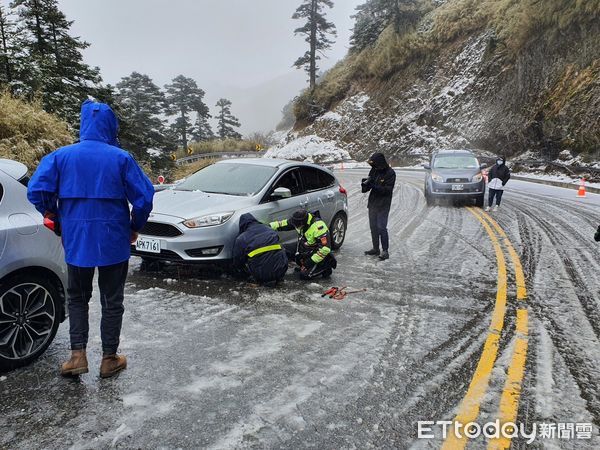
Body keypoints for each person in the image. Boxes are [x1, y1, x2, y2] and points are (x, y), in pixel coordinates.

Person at [27, 99, 154, 378]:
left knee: (77, 297)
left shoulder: (60, 156)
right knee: (112, 300)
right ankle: (109, 358)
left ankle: (77, 357)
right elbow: (144, 197)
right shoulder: (121, 157)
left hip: (77, 239)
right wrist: (134, 225)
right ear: (110, 126)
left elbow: (36, 191)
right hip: (114, 239)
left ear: (83, 124)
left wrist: (57, 217)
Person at [270, 209, 337, 279]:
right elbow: (282, 224)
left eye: (297, 225)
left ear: (303, 222)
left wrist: (308, 263)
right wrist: (266, 226)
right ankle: (303, 263)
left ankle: (325, 267)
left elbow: (325, 249)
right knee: (281, 249)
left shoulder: (319, 227)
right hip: (305, 247)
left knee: (304, 275)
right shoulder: (297, 221)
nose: (295, 226)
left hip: (317, 253)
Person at [232, 213, 288, 286]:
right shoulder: (269, 229)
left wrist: (239, 272)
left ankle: (255, 281)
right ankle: (278, 279)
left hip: (261, 275)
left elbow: (237, 260)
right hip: (281, 270)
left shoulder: (241, 238)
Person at [362, 152, 396, 260]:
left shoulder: (390, 173)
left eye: (375, 164)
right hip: (372, 203)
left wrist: (374, 186)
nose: (373, 166)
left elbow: (387, 190)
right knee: (373, 227)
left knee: (381, 227)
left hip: (383, 205)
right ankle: (376, 248)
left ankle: (385, 251)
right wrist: (365, 185)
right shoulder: (374, 170)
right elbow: (368, 186)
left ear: (380, 162)